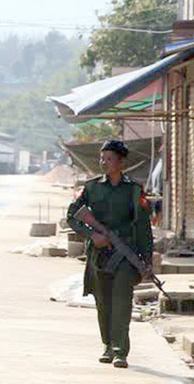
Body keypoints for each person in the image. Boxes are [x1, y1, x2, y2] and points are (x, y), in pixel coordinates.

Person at [66, 140, 153, 369]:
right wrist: (91, 235)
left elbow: (144, 227)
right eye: (102, 158)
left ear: (121, 162)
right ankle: (107, 346)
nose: (103, 163)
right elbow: (72, 215)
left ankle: (120, 350)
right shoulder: (92, 187)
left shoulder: (134, 190)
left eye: (109, 159)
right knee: (103, 302)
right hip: (100, 254)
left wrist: (147, 259)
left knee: (121, 302)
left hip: (125, 254)